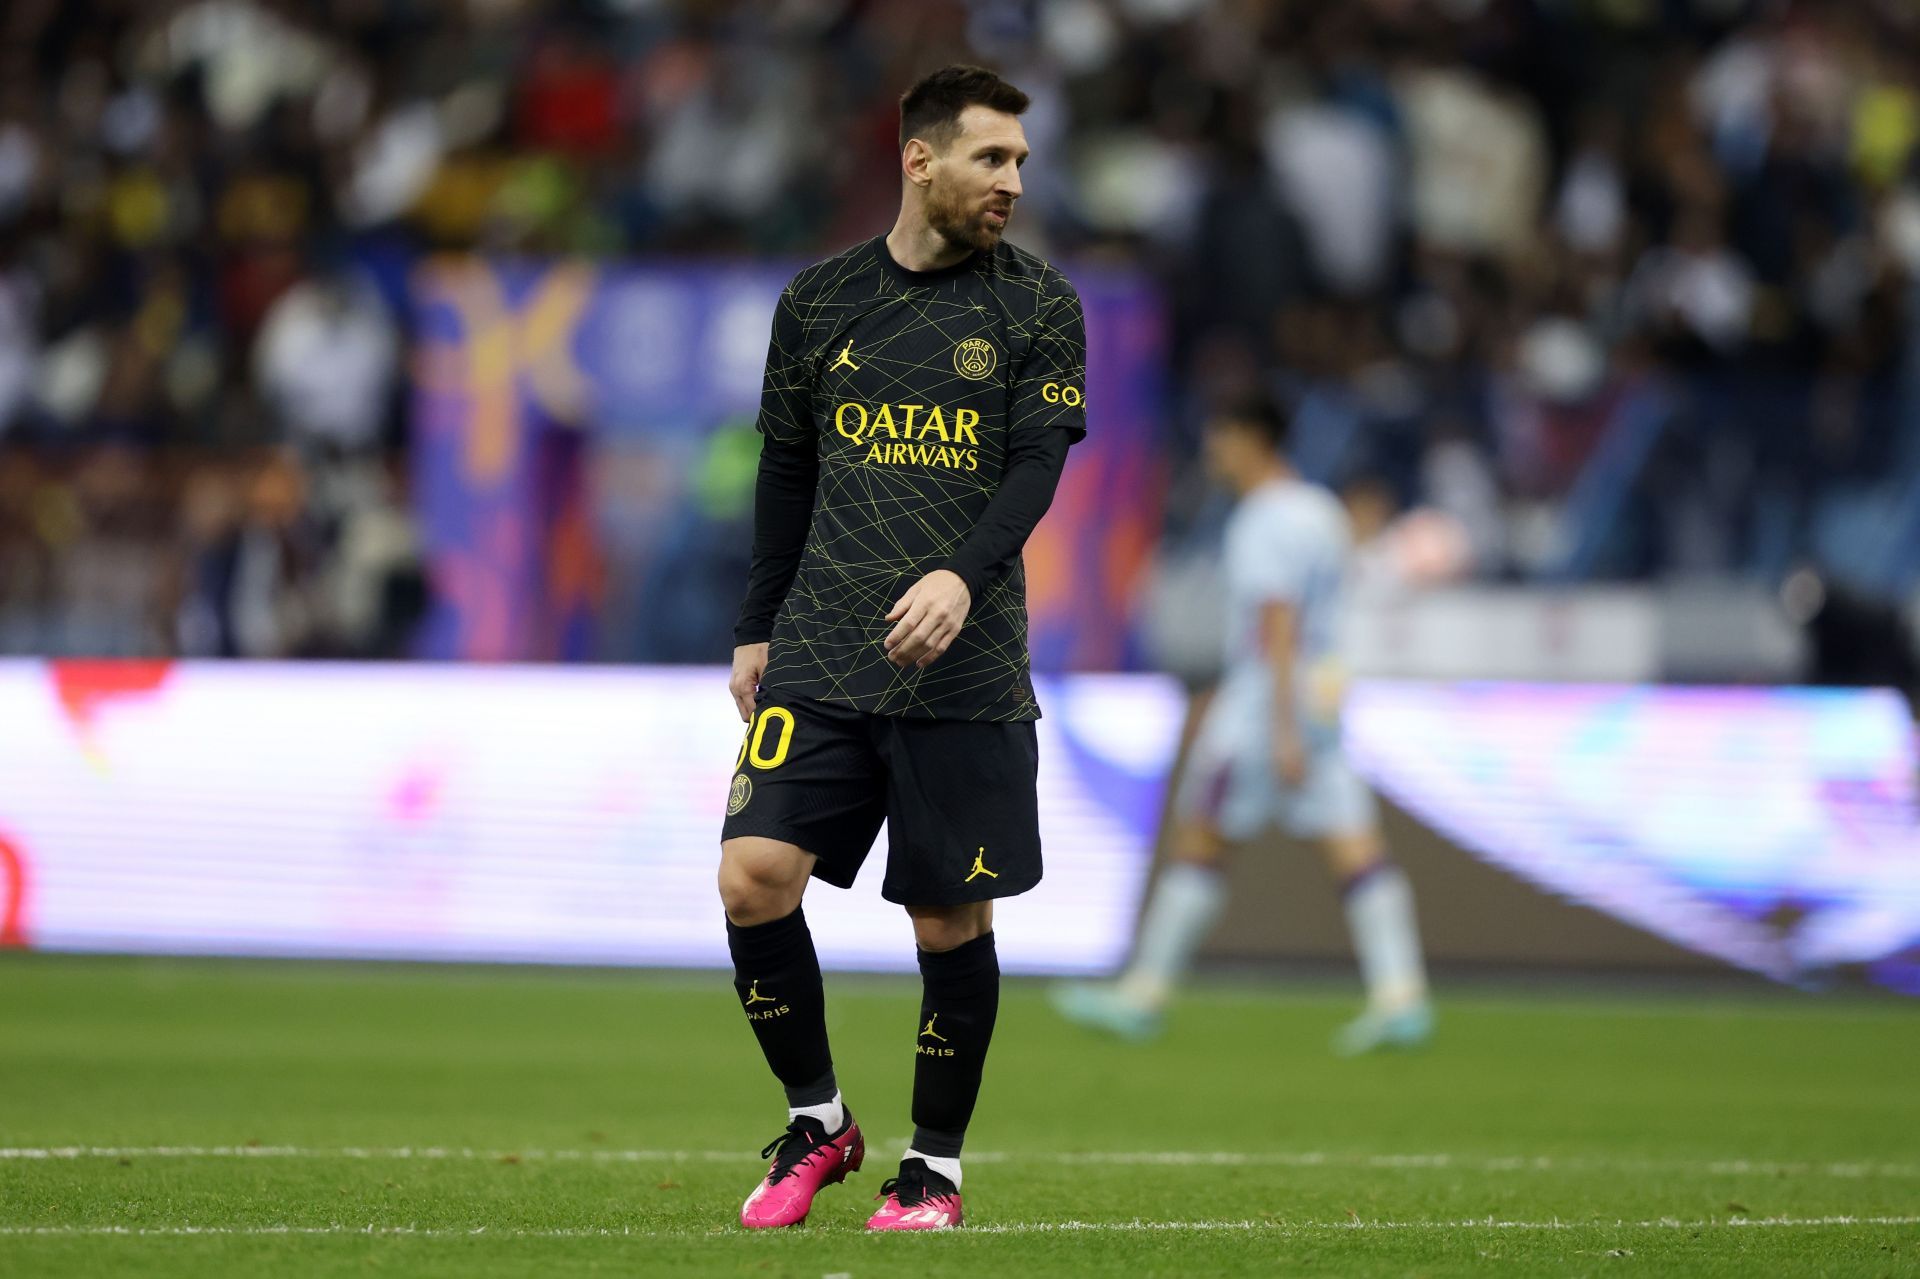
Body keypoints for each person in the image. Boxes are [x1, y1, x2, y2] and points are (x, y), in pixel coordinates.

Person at [717, 65, 1085, 1232]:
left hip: (964, 671)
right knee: (751, 877)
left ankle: (933, 1170)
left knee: (946, 923)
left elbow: (1036, 469)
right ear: (920, 159)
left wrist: (958, 577)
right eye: (993, 158)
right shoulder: (820, 302)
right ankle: (818, 1121)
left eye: (1022, 162)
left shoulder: (1036, 305)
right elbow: (786, 469)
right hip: (822, 649)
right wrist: (755, 623)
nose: (1013, 181)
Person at [1052, 397, 1432, 1055]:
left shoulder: (1261, 520)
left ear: (1254, 438)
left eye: (1221, 437)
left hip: (1264, 711)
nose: (1213, 451)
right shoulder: (1319, 510)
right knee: (1355, 847)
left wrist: (1275, 723)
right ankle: (1402, 995)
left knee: (1201, 841)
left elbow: (1275, 623)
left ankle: (1143, 995)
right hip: (1318, 695)